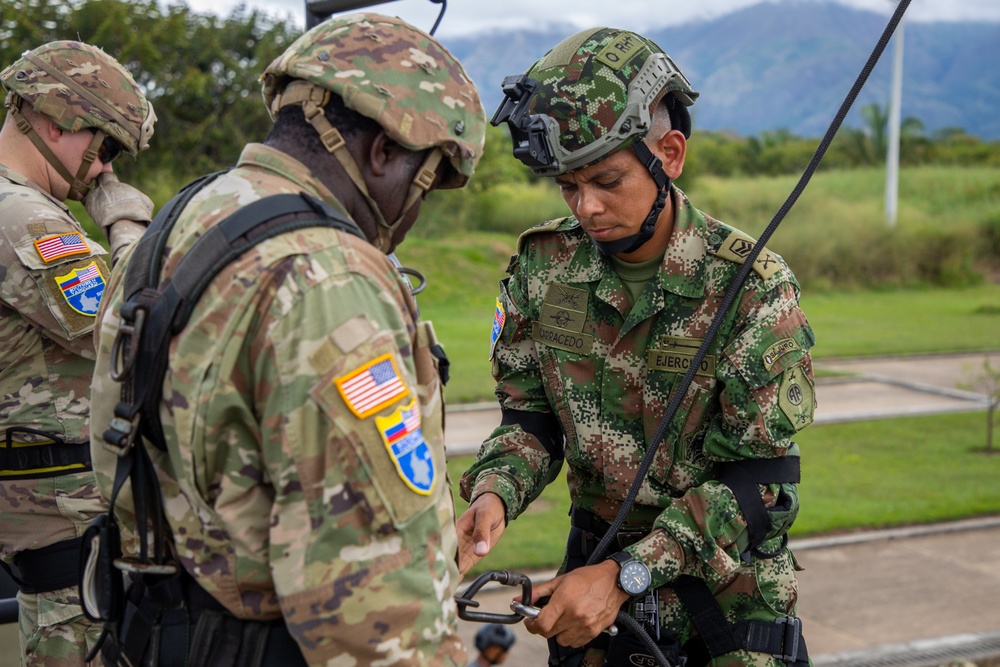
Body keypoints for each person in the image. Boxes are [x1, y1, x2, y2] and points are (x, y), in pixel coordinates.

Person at [87, 13, 485, 667]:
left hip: (150, 631)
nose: (415, 212)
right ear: (384, 151)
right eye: (426, 181)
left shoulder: (177, 222)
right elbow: (369, 604)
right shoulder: (326, 272)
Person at [457, 27, 816, 667]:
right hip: (593, 610)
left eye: (608, 180)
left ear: (670, 154)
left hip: (724, 613)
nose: (588, 207)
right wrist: (495, 493)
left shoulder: (751, 288)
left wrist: (628, 573)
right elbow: (531, 420)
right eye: (568, 187)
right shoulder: (545, 268)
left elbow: (763, 485)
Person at [0, 40, 155, 666]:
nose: (104, 171)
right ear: (55, 122)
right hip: (66, 539)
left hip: (62, 529)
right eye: (105, 147)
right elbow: (133, 328)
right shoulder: (21, 216)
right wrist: (127, 229)